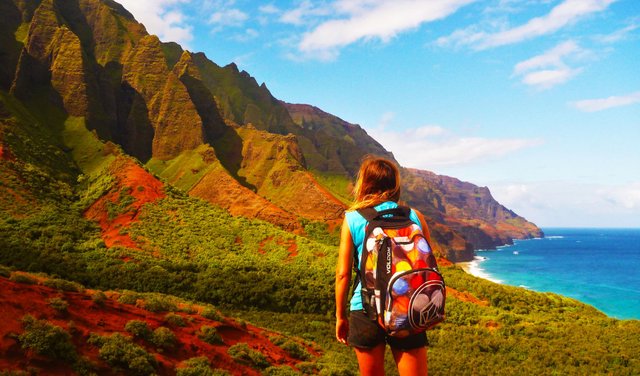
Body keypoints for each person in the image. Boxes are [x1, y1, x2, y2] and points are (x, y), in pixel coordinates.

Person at [335, 157, 431, 376]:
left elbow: (343, 275)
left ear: (365, 183)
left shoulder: (353, 219)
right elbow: (427, 266)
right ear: (395, 184)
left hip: (366, 308)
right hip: (408, 306)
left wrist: (340, 316)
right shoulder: (416, 217)